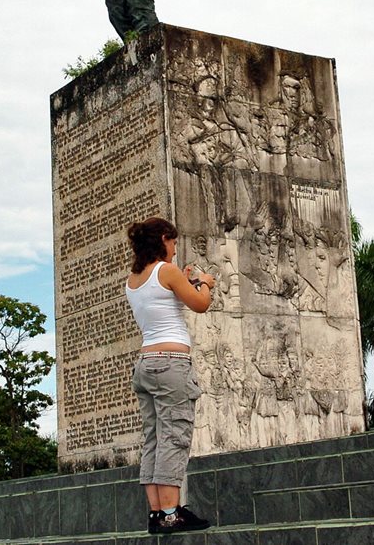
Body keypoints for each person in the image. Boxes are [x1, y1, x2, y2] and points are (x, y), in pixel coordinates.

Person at [125, 217, 215, 534]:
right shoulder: (167, 271)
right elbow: (200, 304)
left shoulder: (133, 278)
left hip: (145, 364)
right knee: (174, 437)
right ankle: (172, 513)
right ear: (163, 239)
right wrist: (205, 282)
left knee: (153, 439)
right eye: (174, 242)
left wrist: (185, 283)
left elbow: (162, 302)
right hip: (171, 364)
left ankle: (156, 514)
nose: (175, 249)